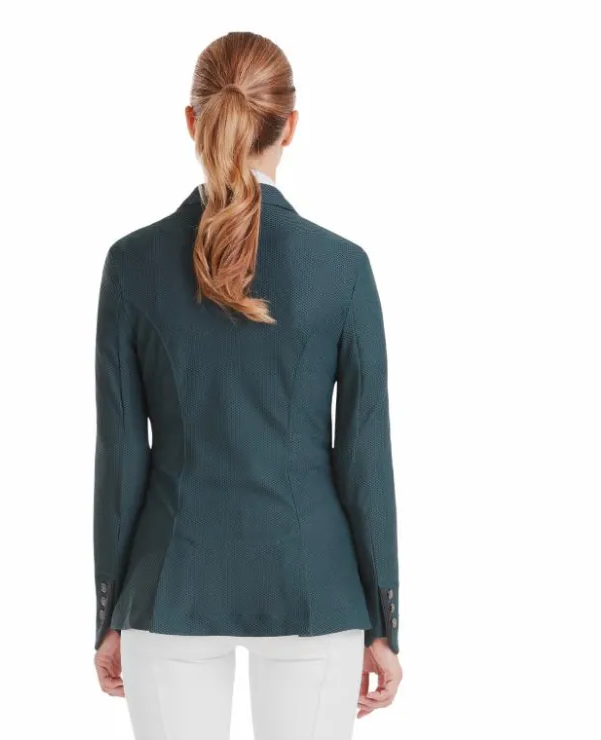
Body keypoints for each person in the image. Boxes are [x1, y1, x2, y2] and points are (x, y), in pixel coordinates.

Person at [92, 30, 403, 740]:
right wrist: (384, 621)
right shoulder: (342, 268)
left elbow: (121, 456)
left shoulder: (131, 264)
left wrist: (111, 611)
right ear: (289, 125)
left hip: (169, 585)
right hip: (314, 582)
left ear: (192, 120)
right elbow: (364, 457)